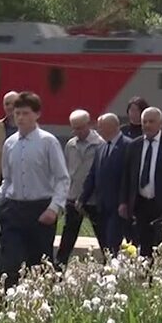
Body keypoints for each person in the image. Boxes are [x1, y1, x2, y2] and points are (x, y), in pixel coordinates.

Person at [0, 91, 69, 287]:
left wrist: (54, 208)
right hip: (14, 210)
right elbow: (7, 181)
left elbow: (62, 179)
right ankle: (8, 307)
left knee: (39, 267)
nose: (20, 118)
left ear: (37, 114)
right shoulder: (9, 145)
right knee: (8, 264)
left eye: (25, 113)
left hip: (40, 210)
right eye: (17, 113)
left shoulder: (48, 142)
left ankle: (40, 310)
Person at [120, 107, 162, 258]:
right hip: (140, 203)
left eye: (151, 121)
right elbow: (127, 176)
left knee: (161, 245)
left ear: (160, 123)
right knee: (142, 246)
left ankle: (159, 277)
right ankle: (144, 277)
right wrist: (124, 202)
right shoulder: (134, 145)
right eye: (144, 122)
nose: (147, 125)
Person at [56, 109, 104, 268]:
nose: (77, 131)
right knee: (68, 236)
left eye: (80, 127)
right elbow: (67, 170)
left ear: (89, 125)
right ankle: (59, 267)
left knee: (102, 236)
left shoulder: (100, 144)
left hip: (93, 199)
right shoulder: (71, 145)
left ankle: (110, 265)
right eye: (74, 128)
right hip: (73, 196)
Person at [79, 113, 133, 255]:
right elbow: (93, 175)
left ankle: (112, 270)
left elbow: (128, 177)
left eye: (101, 127)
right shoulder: (101, 147)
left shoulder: (128, 146)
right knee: (104, 243)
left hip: (118, 205)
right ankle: (108, 268)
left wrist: (124, 201)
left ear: (112, 127)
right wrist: (82, 198)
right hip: (101, 205)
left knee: (113, 242)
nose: (98, 130)